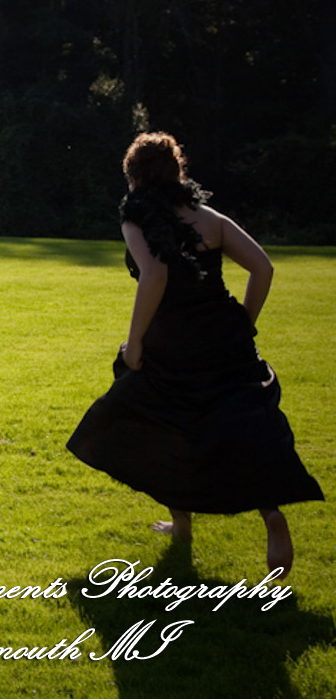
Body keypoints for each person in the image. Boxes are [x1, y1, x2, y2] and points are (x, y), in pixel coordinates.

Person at [67, 132, 322, 576]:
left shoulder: (136, 220)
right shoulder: (208, 216)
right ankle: (268, 514)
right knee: (239, 422)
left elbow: (155, 277)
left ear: (134, 177)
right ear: (176, 174)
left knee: (161, 421)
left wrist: (136, 342)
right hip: (225, 337)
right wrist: (243, 320)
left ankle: (183, 524)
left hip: (173, 340)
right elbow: (263, 266)